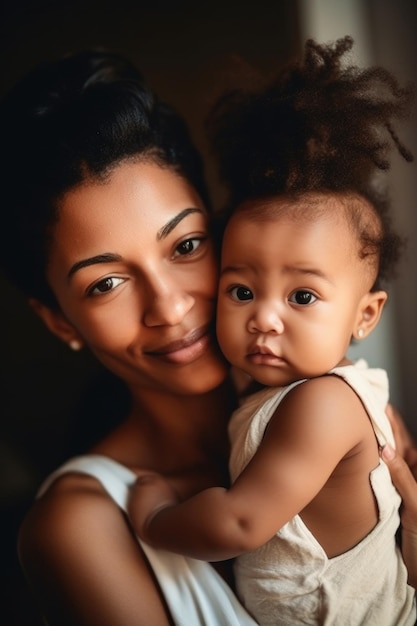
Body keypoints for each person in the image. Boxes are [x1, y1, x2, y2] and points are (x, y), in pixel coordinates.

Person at [0, 43, 415, 626]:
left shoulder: (348, 417)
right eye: (106, 283)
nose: (169, 306)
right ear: (59, 320)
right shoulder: (79, 526)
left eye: (186, 246)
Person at [127, 38, 417, 625]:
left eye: (302, 296)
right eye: (241, 290)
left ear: (365, 315)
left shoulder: (324, 405)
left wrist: (155, 518)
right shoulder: (303, 392)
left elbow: (239, 522)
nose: (262, 316)